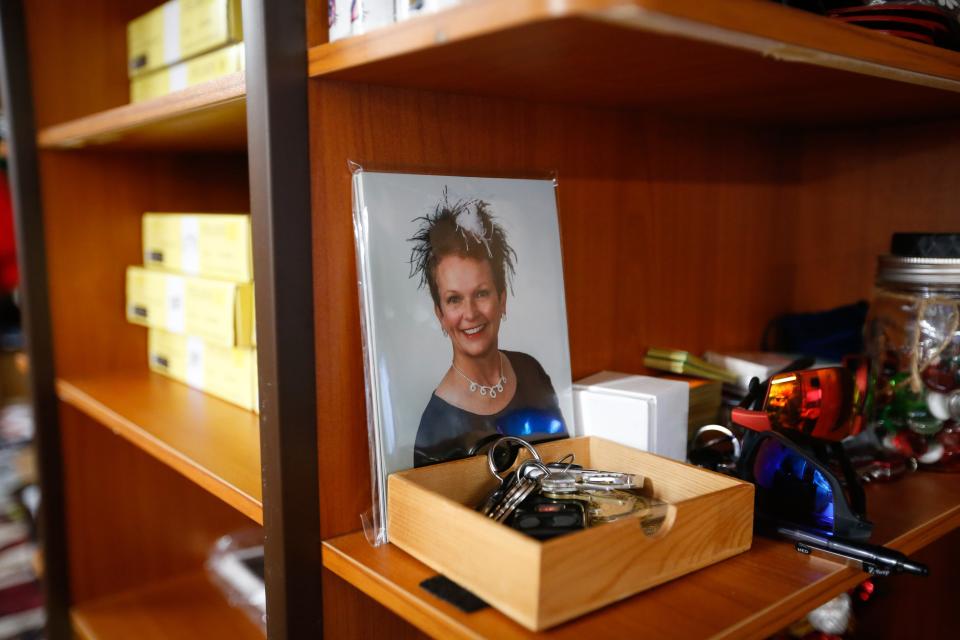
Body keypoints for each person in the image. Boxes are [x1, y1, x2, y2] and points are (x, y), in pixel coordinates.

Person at [408, 191, 567, 467]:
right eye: (454, 299)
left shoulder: (532, 372)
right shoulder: (434, 428)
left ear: (502, 300)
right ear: (440, 315)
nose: (470, 314)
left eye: (481, 293)